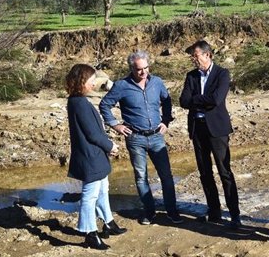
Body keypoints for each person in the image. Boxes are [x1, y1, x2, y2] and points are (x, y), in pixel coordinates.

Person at [99, 50, 182, 225]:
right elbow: (105, 104)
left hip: (157, 136)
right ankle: (149, 212)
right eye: (139, 70)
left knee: (166, 175)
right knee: (141, 176)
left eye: (146, 68)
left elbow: (167, 101)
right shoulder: (121, 85)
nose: (143, 72)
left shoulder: (157, 82)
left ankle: (172, 212)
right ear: (131, 69)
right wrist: (115, 125)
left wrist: (166, 121)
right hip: (135, 138)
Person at [179, 40, 242, 229]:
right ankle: (214, 211)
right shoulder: (191, 76)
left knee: (224, 171)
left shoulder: (222, 74)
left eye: (195, 55)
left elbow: (216, 99)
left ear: (208, 55)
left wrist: (196, 100)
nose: (193, 59)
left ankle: (234, 214)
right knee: (204, 172)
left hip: (217, 129)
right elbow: (183, 101)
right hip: (197, 129)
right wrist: (201, 101)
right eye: (192, 56)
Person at [66, 63, 127, 250]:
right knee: (90, 195)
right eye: (91, 80)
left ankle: (108, 222)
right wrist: (111, 145)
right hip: (89, 156)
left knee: (102, 189)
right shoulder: (79, 103)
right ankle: (89, 233)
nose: (93, 84)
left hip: (93, 154)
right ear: (81, 81)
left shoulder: (78, 100)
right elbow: (92, 133)